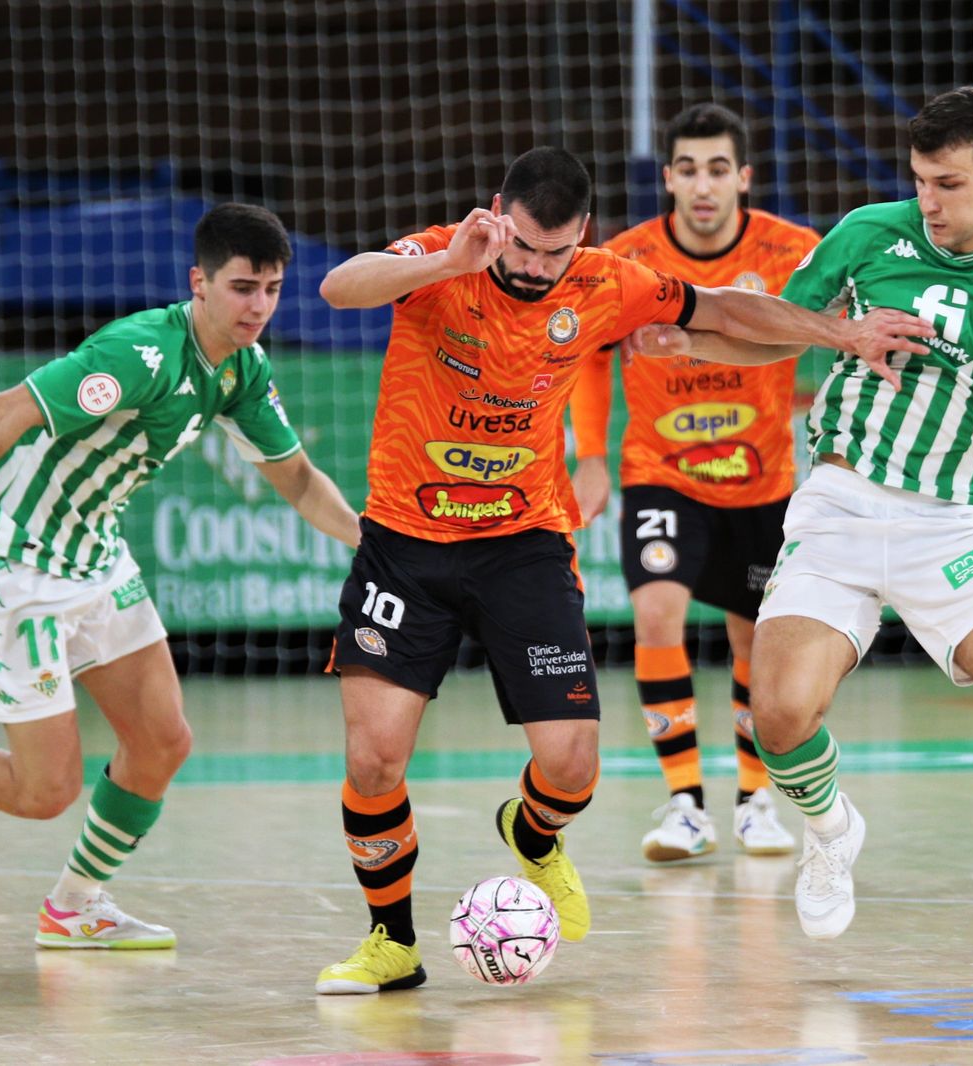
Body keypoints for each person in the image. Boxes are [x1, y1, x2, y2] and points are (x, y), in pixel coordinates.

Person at [313, 146, 933, 994]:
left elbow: (728, 310)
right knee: (376, 758)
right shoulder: (446, 253)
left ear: (584, 237)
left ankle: (532, 836)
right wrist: (453, 258)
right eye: (523, 245)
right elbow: (339, 287)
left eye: (554, 251)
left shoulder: (604, 283)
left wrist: (844, 333)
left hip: (524, 541)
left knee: (572, 771)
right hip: (405, 545)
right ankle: (392, 941)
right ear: (499, 213)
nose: (534, 267)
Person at [621, 87, 973, 985]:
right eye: (919, 182)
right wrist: (699, 347)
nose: (929, 202)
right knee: (781, 714)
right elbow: (783, 329)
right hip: (836, 505)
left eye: (948, 184)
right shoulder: (872, 234)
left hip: (953, 523)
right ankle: (830, 832)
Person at [0, 203, 362, 950]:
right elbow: (3, 411)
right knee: (43, 792)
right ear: (201, 283)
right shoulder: (140, 353)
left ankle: (75, 906)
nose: (259, 307)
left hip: (95, 554)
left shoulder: (242, 372)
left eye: (273, 289)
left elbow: (301, 480)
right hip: (14, 566)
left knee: (162, 741)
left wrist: (374, 542)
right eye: (244, 287)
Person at [568, 104, 818, 863]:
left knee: (756, 640)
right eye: (687, 169)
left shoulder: (794, 252)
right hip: (660, 474)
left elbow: (836, 336)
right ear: (668, 178)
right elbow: (588, 353)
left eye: (718, 169)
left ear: (743, 178)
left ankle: (754, 802)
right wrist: (590, 457)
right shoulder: (628, 258)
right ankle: (683, 804)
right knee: (656, 614)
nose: (702, 186)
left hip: (763, 481)